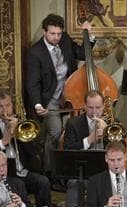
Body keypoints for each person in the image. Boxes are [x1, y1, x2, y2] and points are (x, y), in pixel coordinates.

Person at [25, 14, 93, 183]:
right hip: (50, 101)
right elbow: (32, 83)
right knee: (55, 133)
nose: (56, 37)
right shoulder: (35, 53)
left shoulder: (65, 40)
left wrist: (88, 35)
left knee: (79, 131)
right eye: (52, 34)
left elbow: (82, 54)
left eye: (59, 34)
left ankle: (76, 170)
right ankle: (51, 173)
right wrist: (38, 104)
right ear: (44, 32)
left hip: (71, 95)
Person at [0, 89, 51, 207]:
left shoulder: (21, 122)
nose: (5, 110)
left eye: (8, 105)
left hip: (22, 172)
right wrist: (4, 141)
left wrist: (18, 134)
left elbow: (34, 152)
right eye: (0, 106)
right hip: (1, 174)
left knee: (43, 182)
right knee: (18, 186)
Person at [61, 89, 108, 207]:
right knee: (73, 184)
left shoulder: (112, 122)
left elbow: (121, 147)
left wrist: (107, 133)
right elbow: (68, 149)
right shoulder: (73, 123)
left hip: (105, 170)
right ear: (84, 106)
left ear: (103, 107)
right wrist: (90, 139)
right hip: (81, 171)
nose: (94, 111)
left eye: (98, 107)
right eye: (91, 107)